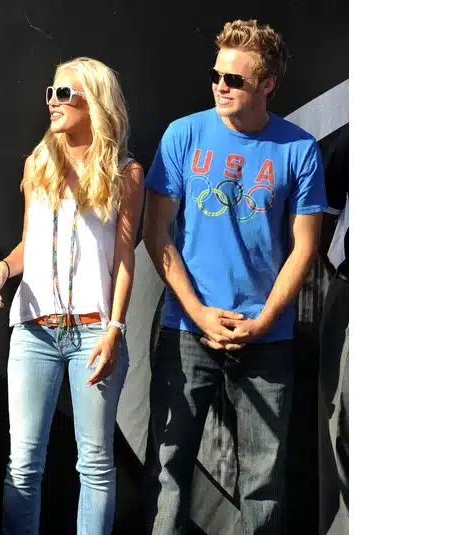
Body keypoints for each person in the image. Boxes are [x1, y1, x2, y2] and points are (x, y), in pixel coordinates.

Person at [140, 19, 327, 535]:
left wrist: (264, 322)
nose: (221, 86)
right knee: (167, 470)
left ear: (267, 84)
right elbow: (157, 233)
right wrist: (198, 313)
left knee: (264, 483)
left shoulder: (299, 149)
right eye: (216, 75)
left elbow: (305, 248)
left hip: (267, 337)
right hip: (187, 330)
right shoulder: (183, 134)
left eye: (235, 79)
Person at [0, 57, 145, 535]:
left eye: (64, 94)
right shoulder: (39, 163)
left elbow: (123, 259)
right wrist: (4, 267)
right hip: (34, 330)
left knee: (94, 463)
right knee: (22, 463)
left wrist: (115, 329)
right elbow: (29, 242)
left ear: (93, 102)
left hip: (94, 331)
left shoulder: (125, 172)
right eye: (50, 93)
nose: (52, 102)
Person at [317, 126, 354, 535]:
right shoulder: (349, 143)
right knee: (339, 422)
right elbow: (321, 223)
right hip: (350, 290)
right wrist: (340, 274)